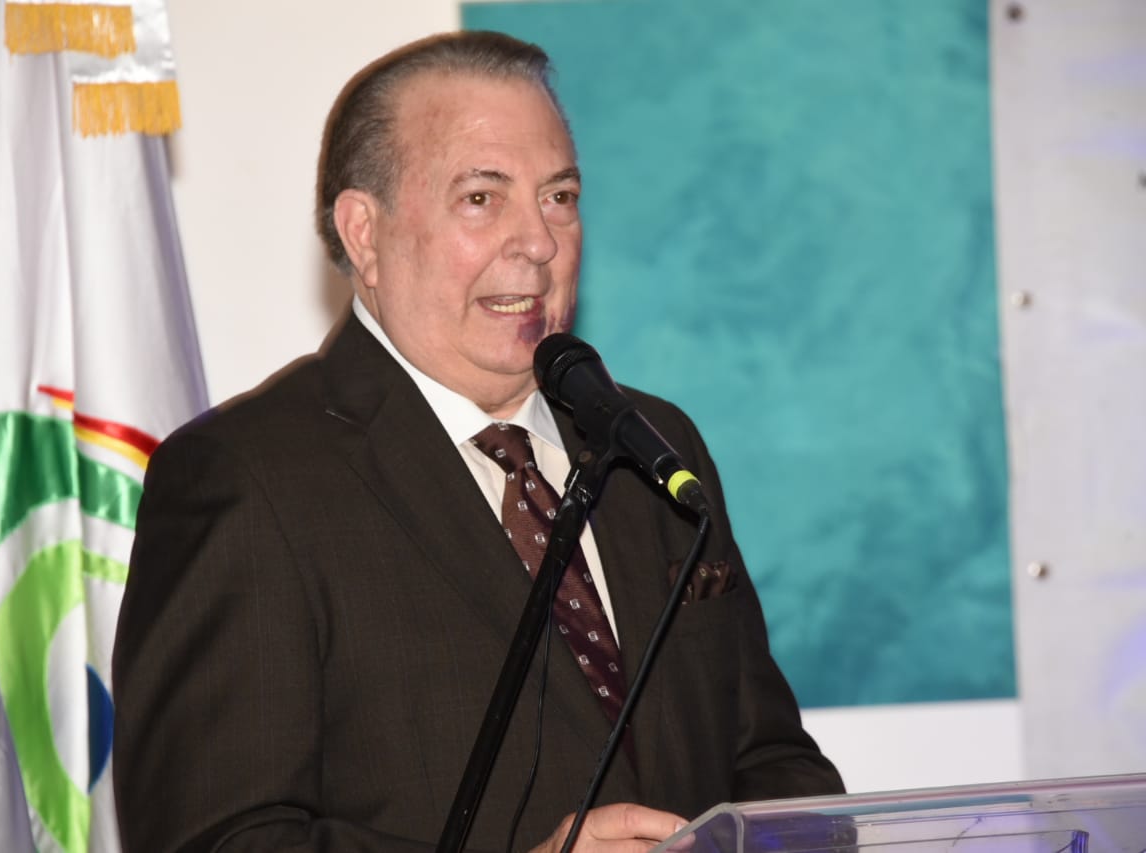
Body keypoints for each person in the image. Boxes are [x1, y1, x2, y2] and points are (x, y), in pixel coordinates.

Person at [112, 30, 843, 852]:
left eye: (559, 196)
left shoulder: (652, 445)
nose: (539, 241)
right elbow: (219, 837)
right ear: (364, 234)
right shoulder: (248, 477)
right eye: (482, 198)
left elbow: (773, 762)